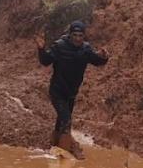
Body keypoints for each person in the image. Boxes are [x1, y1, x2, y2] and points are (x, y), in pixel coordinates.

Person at [36, 21, 108, 159]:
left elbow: (97, 61)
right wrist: (41, 49)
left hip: (71, 93)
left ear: (84, 36)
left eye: (80, 35)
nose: (77, 38)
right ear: (70, 35)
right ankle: (61, 155)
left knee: (61, 119)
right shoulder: (59, 46)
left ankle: (54, 144)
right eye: (74, 35)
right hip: (57, 91)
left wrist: (104, 57)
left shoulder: (86, 50)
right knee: (67, 119)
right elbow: (45, 61)